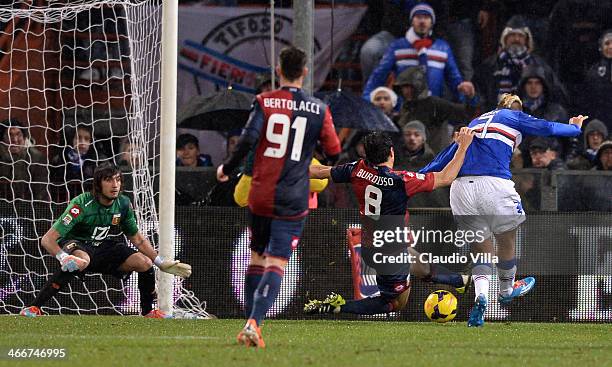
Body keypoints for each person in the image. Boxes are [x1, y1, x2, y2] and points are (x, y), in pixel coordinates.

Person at [420, 93, 587, 327]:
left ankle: (481, 297)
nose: (519, 111)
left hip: (460, 190)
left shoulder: (474, 124)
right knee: (506, 241)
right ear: (508, 108)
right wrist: (574, 128)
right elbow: (545, 127)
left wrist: (417, 176)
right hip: (494, 184)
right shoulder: (511, 116)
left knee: (482, 250)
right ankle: (507, 289)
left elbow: (445, 157)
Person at [216, 46, 341, 348]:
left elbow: (247, 139)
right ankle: (254, 323)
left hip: (261, 192)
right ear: (306, 72)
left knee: (256, 257)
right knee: (277, 262)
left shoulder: (264, 101)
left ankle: (249, 323)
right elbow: (334, 152)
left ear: (278, 70)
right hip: (293, 196)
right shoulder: (318, 108)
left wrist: (226, 168)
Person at [303, 130, 474, 316]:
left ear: (365, 154)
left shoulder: (357, 169)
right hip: (391, 253)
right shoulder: (400, 180)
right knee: (394, 303)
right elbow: (445, 177)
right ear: (391, 152)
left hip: (372, 245)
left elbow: (320, 172)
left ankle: (459, 280)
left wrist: (284, 168)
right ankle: (339, 306)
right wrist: (463, 146)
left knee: (419, 264)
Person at [19, 164, 192, 318]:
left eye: (117, 180)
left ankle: (148, 312)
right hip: (77, 244)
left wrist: (160, 263)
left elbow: (138, 239)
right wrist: (63, 257)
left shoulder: (123, 204)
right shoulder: (81, 204)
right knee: (80, 260)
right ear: (98, 184)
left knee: (144, 262)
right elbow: (47, 239)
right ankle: (34, 307)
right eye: (109, 180)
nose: (115, 185)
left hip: (103, 246)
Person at [362, 3, 474, 102]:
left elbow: (455, 80)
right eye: (418, 17)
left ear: (432, 22)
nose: (422, 21)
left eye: (426, 17)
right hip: (405, 110)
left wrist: (465, 91)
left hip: (434, 108)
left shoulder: (442, 48)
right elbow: (379, 74)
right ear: (411, 21)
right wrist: (367, 97)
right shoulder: (398, 46)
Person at [474, 17, 566, 111]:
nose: (516, 39)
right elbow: (480, 93)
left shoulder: (539, 65)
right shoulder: (491, 65)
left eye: (520, 36)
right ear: (504, 39)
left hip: (531, 115)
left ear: (527, 40)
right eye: (512, 35)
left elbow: (556, 93)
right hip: (497, 115)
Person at [394, 66, 478, 152]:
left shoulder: (434, 104)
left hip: (435, 157)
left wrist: (471, 97)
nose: (405, 91)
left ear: (418, 85)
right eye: (403, 88)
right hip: (411, 159)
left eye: (409, 87)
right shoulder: (405, 107)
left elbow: (466, 113)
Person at [0, 119, 47, 201]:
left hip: (28, 208)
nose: (15, 140)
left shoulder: (36, 158)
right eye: (9, 135)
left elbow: (41, 193)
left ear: (25, 138)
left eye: (19, 135)